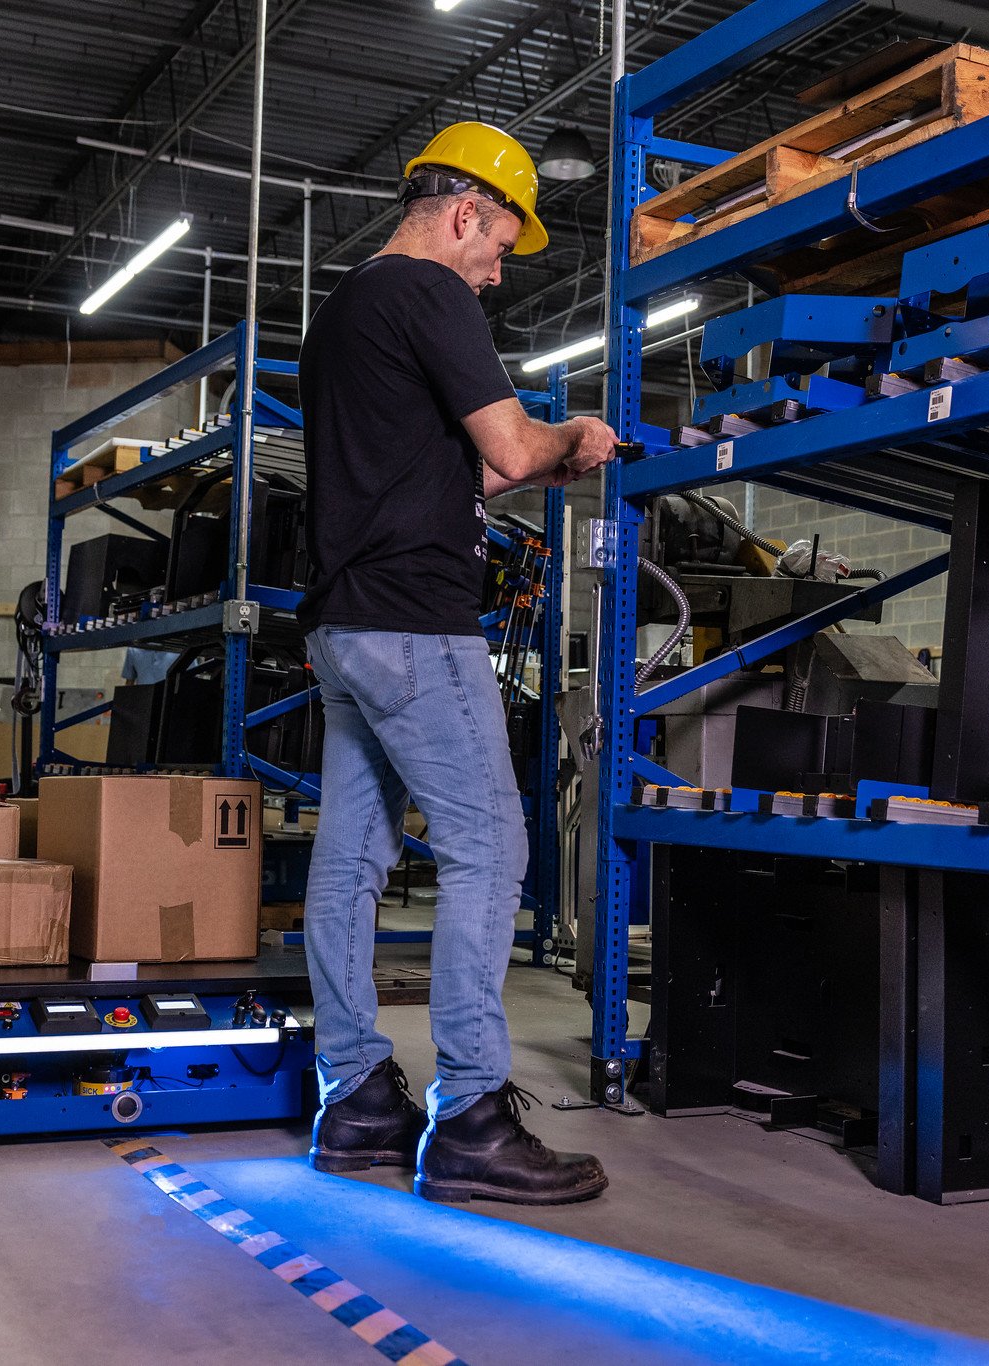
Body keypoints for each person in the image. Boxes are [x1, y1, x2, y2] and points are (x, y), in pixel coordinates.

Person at [295, 121, 619, 1205]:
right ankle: (474, 1112)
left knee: (348, 863)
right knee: (492, 844)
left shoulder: (339, 314)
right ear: (464, 211)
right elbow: (513, 450)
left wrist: (527, 467)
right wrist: (574, 438)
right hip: (415, 627)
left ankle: (355, 1103)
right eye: (497, 246)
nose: (492, 273)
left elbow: (447, 482)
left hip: (343, 626)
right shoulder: (429, 294)